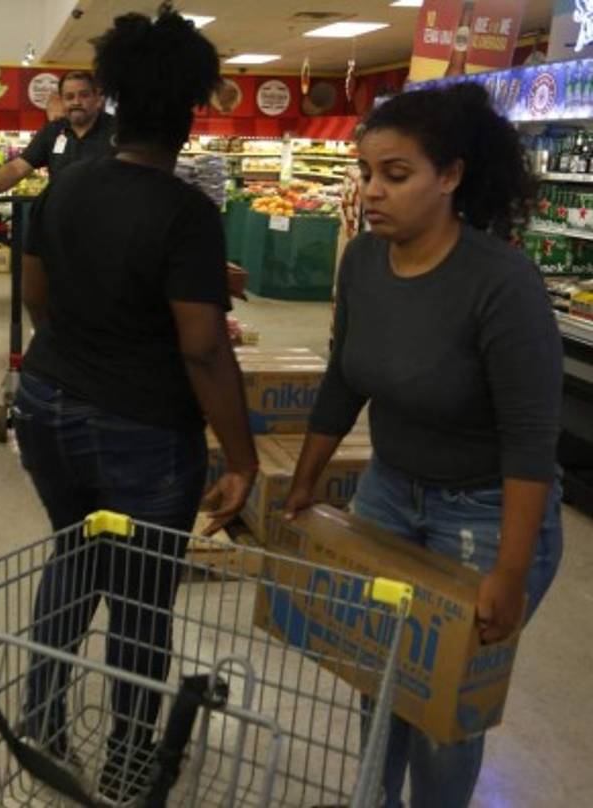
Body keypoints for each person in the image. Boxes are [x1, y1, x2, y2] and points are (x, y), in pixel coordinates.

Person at [283, 83, 564, 808]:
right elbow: (344, 379)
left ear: (451, 176)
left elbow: (531, 439)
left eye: (396, 175)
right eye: (366, 173)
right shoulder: (365, 263)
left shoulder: (501, 283)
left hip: (483, 514)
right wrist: (305, 482)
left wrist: (507, 569)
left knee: (445, 712)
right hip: (389, 491)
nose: (372, 192)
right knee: (380, 680)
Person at [14, 9, 257, 804]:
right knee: (143, 594)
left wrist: (85, 350)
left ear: (113, 99)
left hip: (45, 402)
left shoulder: (67, 184)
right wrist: (243, 456)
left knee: (73, 554)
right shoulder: (186, 213)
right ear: (190, 112)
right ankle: (127, 753)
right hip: (145, 431)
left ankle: (42, 719)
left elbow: (37, 295)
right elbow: (201, 345)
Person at [0, 70, 115, 225]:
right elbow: (17, 168)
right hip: (61, 224)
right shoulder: (52, 131)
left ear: (97, 99)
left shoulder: (118, 131)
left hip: (106, 223)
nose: (76, 102)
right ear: (62, 101)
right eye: (69, 97)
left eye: (83, 95)